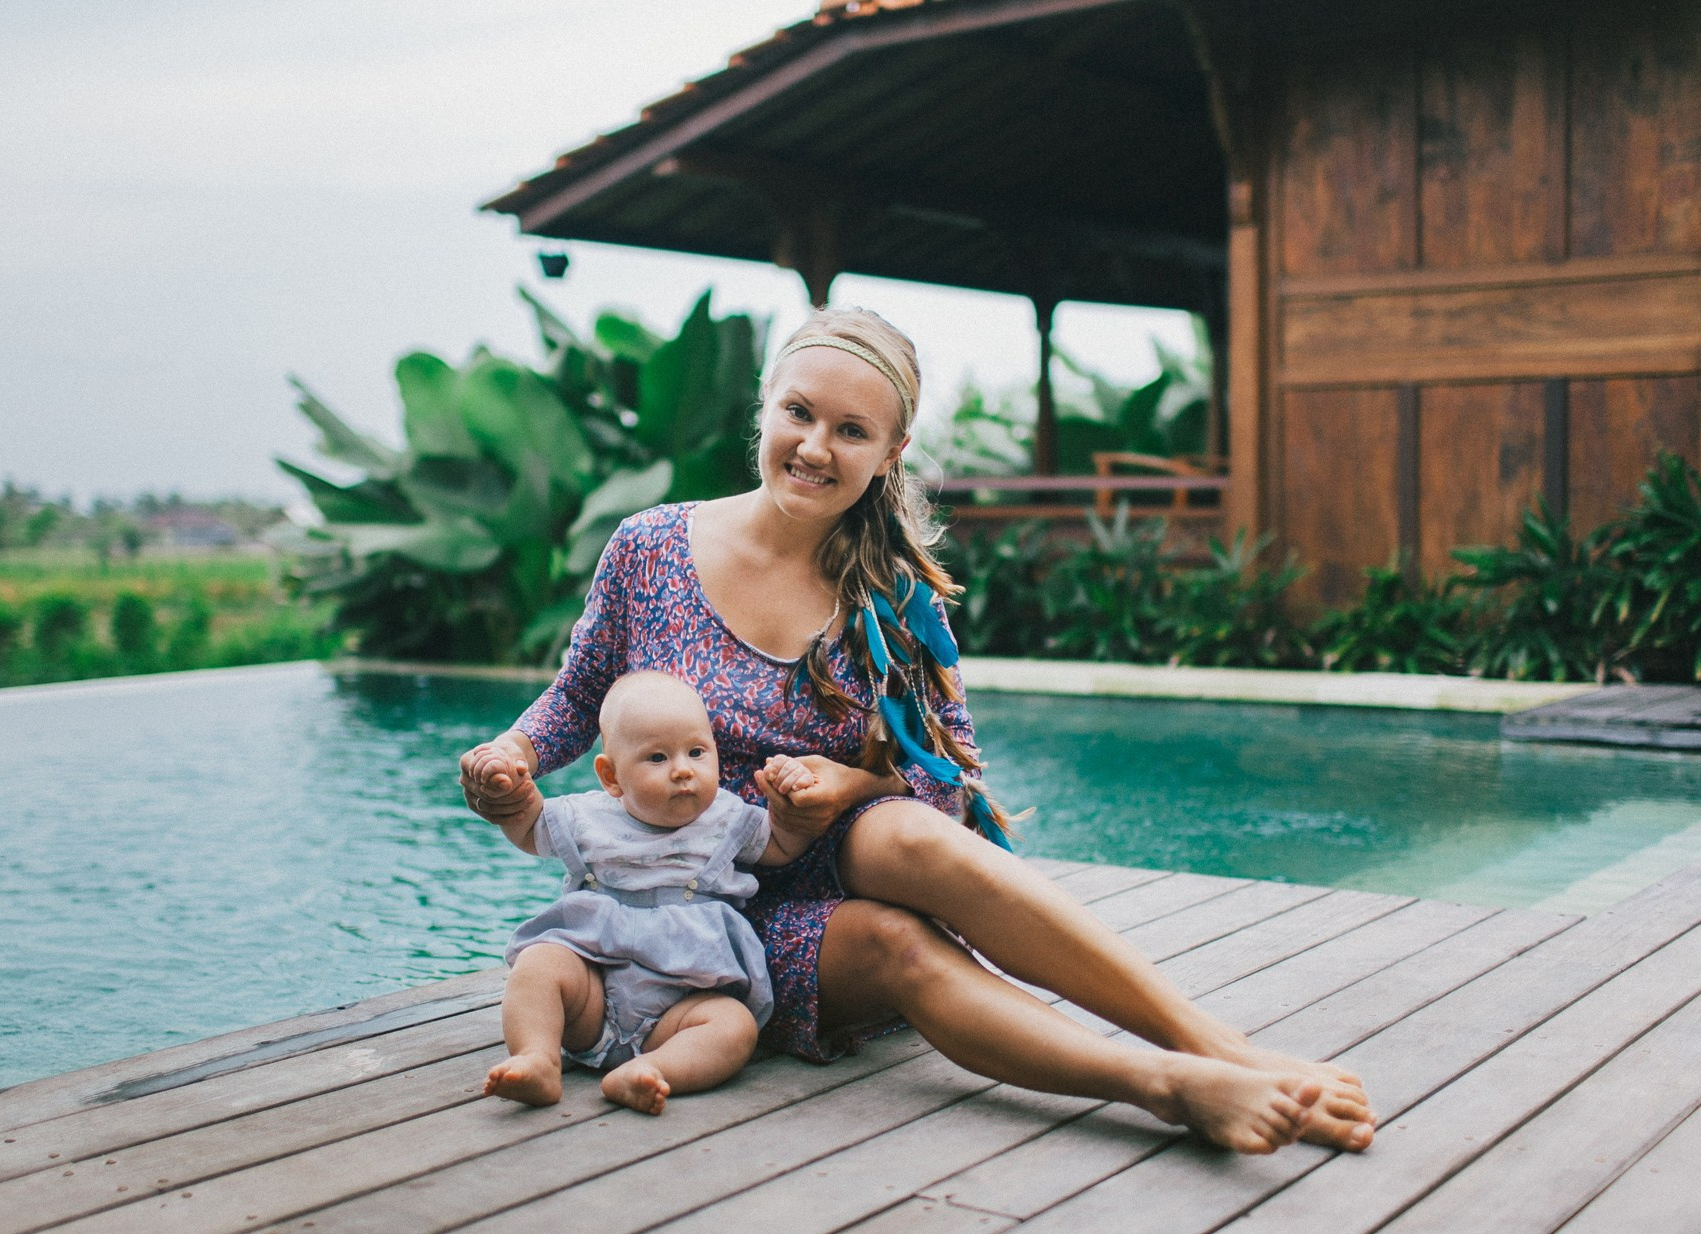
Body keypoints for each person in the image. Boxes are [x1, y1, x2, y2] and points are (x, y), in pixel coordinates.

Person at [462, 307, 1374, 1154]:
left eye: (851, 431)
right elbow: (577, 699)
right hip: (700, 924)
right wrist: (514, 755)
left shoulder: (892, 596)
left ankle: (1220, 1044)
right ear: (765, 409)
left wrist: (846, 786)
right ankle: (1166, 1083)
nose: (816, 447)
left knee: (906, 828)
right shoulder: (649, 549)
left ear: (891, 450)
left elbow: (946, 782)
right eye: (800, 413)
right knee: (901, 948)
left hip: (818, 866)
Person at [476, 669, 821, 1115]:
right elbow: (530, 829)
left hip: (678, 1012)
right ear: (611, 777)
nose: (682, 770)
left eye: (697, 752)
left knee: (733, 1026)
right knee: (539, 964)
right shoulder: (588, 817)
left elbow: (780, 844)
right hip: (591, 1001)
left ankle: (653, 1069)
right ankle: (537, 1058)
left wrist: (789, 800)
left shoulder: (728, 818)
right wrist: (514, 791)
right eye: (657, 758)